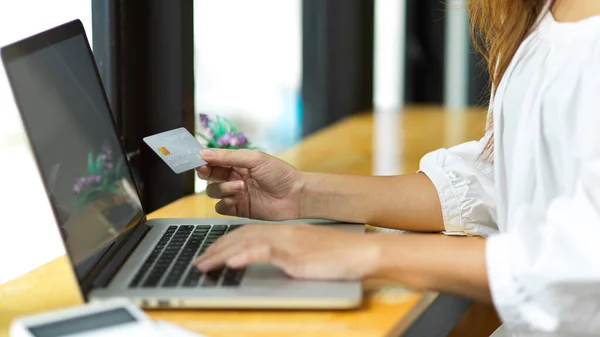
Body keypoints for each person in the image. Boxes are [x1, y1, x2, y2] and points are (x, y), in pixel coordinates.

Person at [193, 0, 600, 335]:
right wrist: (300, 193)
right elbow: (502, 182)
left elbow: (580, 264)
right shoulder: (539, 12)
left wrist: (359, 252)